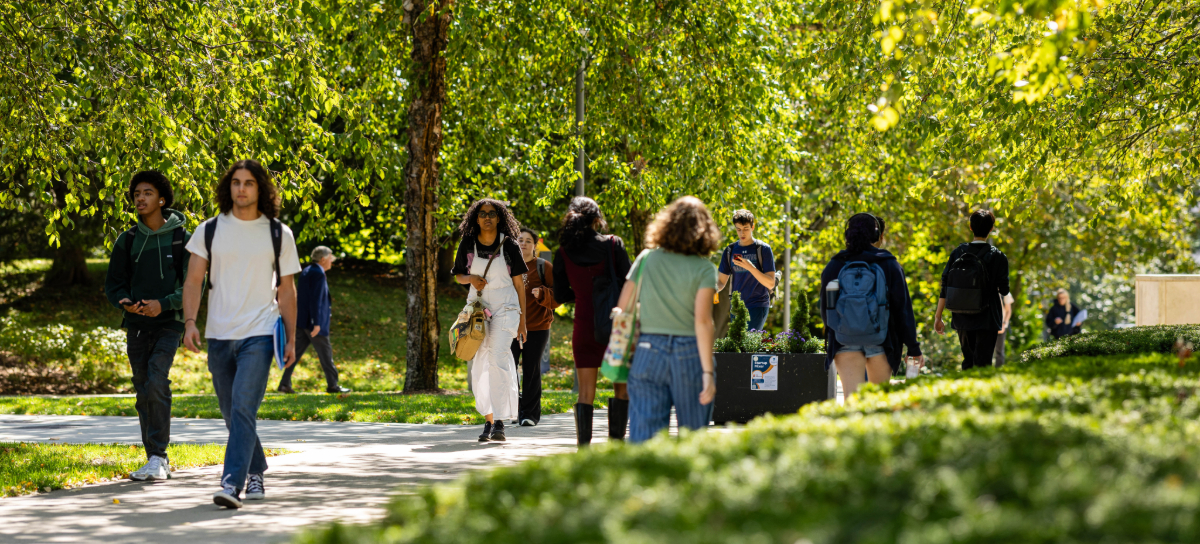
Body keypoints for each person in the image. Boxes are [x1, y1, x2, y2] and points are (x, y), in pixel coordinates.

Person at [182, 159, 302, 509]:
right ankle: (256, 470)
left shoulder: (278, 233)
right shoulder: (209, 229)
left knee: (243, 408)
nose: (241, 189)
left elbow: (287, 290)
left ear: (260, 189)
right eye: (236, 182)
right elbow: (192, 281)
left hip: (260, 333)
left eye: (249, 183)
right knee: (231, 411)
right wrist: (190, 322)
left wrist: (291, 338)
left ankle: (231, 485)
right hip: (219, 333)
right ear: (228, 187)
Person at [104, 170, 191, 481]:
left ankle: (159, 456)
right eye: (137, 193)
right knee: (143, 389)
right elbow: (113, 285)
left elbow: (194, 285)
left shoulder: (183, 238)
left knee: (156, 380)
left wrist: (163, 303)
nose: (140, 198)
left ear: (162, 199)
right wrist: (125, 301)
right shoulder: (127, 241)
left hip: (170, 323)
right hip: (136, 325)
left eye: (147, 193)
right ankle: (153, 457)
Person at [619, 196, 720, 443]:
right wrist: (707, 371)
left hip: (647, 351)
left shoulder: (646, 259)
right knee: (693, 436)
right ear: (704, 229)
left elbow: (623, 308)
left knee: (644, 438)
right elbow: (703, 322)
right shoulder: (704, 269)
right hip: (690, 354)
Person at [553, 196, 632, 446]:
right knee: (621, 388)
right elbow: (630, 283)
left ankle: (584, 451)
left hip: (584, 328)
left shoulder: (563, 253)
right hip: (615, 327)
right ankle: (616, 447)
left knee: (586, 392)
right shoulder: (612, 245)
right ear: (597, 219)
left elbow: (560, 295)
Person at [819, 213, 923, 395]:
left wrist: (838, 330)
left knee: (852, 402)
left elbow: (826, 308)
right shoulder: (889, 264)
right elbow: (903, 310)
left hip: (844, 340)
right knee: (878, 401)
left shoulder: (835, 264)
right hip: (881, 341)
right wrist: (913, 347)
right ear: (876, 235)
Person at [452, 199, 528, 442]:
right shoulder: (467, 244)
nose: (487, 218)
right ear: (476, 218)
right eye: (482, 214)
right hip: (478, 310)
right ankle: (489, 420)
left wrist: (523, 321)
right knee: (480, 364)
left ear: (499, 218)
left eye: (492, 214)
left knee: (497, 357)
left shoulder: (510, 245)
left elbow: (519, 285)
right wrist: (471, 279)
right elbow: (458, 277)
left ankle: (500, 422)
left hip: (506, 308)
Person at [934, 210, 1012, 370]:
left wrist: (938, 316)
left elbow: (945, 286)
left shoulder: (958, 253)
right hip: (988, 317)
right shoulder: (998, 256)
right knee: (983, 364)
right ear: (991, 229)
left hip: (962, 315)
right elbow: (1004, 290)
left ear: (970, 227)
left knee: (968, 361)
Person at [278, 246, 349, 394]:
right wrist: (316, 323)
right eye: (330, 259)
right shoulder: (318, 274)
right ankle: (333, 385)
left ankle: (284, 384)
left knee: (295, 354)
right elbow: (315, 300)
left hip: (302, 321)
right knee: (326, 354)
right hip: (313, 324)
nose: (331, 262)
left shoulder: (307, 271)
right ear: (323, 259)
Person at [512, 227, 558, 426]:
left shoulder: (543, 266)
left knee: (531, 370)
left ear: (535, 245)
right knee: (508, 369)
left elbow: (559, 295)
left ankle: (529, 415)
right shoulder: (507, 267)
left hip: (537, 327)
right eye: (520, 240)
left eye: (528, 241)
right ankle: (514, 410)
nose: (523, 244)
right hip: (510, 327)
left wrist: (544, 294)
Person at [716, 210, 776, 331]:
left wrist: (750, 267)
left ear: (753, 227)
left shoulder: (763, 249)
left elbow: (770, 283)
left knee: (748, 345)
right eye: (738, 229)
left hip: (757, 304)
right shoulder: (729, 251)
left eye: (746, 228)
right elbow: (721, 282)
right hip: (736, 306)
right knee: (739, 346)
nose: (742, 233)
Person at [994, 292, 1015, 367]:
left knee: (999, 350)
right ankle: (985, 369)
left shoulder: (1005, 293)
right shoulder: (985, 289)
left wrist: (1004, 324)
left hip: (1001, 325)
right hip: (988, 325)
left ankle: (998, 369)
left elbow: (1008, 311)